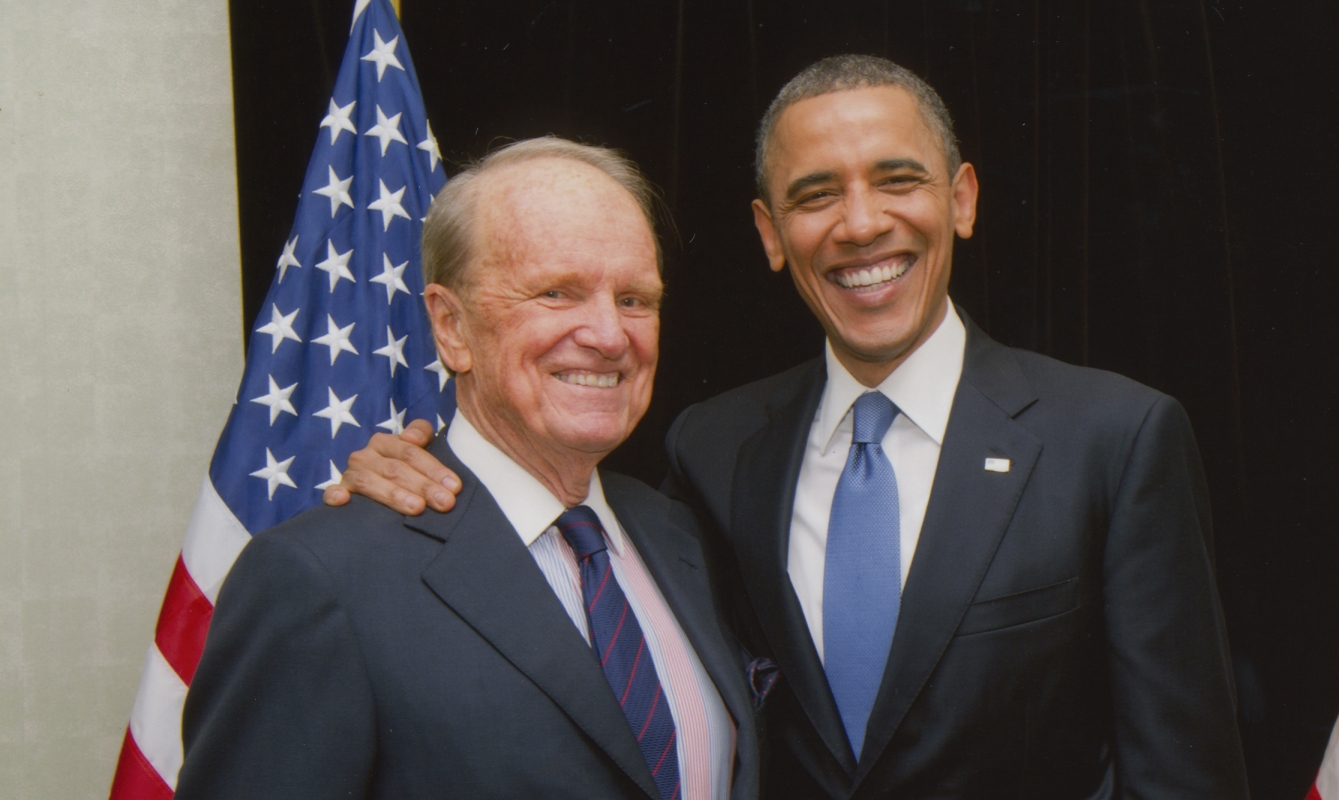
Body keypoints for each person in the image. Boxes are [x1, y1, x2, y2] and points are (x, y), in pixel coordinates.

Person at [332, 56, 1250, 797]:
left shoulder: (1115, 438)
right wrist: (409, 473)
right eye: (815, 196)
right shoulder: (712, 447)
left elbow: (1182, 772)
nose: (860, 224)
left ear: (962, 200)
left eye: (898, 181)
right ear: (771, 235)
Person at [175, 138, 758, 800]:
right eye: (557, 293)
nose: (608, 334)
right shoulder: (321, 581)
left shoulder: (681, 538)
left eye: (634, 299)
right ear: (450, 326)